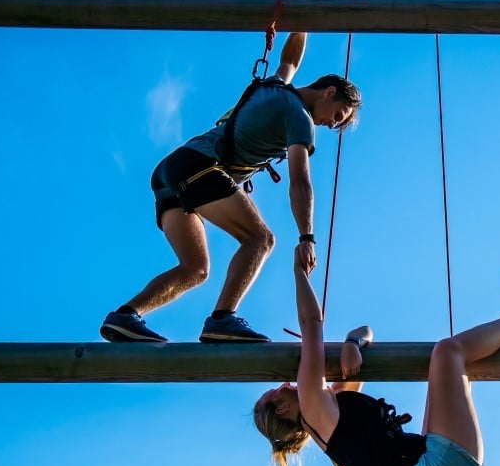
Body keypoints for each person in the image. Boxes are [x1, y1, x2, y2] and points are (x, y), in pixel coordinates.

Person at [253, 258, 500, 466]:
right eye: (275, 391)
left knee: (456, 365)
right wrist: (298, 270)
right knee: (448, 352)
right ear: (281, 408)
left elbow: (367, 332)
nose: (283, 382)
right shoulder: (312, 408)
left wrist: (353, 341)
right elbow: (312, 325)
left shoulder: (330, 407)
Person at [100, 30, 362, 344]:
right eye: (337, 115)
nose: (331, 124)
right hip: (198, 166)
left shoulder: (276, 86)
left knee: (195, 268)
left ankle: (125, 316)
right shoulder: (299, 118)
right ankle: (222, 319)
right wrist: (306, 237)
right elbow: (300, 182)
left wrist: (301, 21)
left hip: (172, 171)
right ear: (329, 91)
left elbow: (289, 59)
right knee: (260, 239)